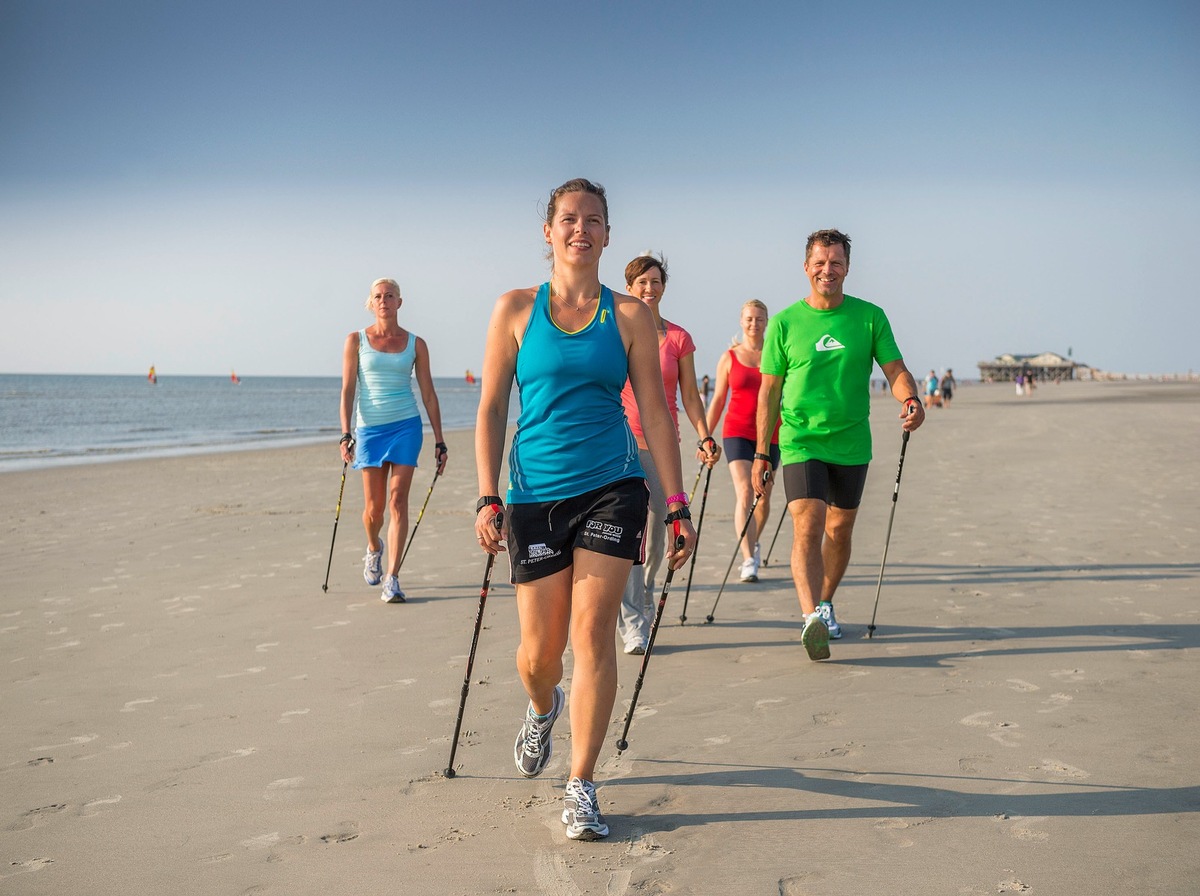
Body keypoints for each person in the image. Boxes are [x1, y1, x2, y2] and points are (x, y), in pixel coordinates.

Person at [474, 179, 698, 841]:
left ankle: (581, 785)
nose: (581, 230)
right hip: (534, 494)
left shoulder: (629, 316)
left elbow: (656, 415)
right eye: (569, 219)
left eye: (593, 220)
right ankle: (544, 708)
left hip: (614, 484)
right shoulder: (515, 309)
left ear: (607, 234)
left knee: (592, 634)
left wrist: (677, 503)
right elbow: (490, 409)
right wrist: (487, 495)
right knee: (538, 656)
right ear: (549, 232)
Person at [753, 229, 924, 661]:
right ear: (806, 266)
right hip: (799, 440)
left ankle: (825, 602)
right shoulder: (785, 322)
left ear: (847, 267)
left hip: (851, 442)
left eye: (835, 262)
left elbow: (895, 368)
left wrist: (910, 398)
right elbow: (769, 393)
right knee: (807, 526)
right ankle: (811, 617)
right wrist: (761, 452)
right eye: (819, 262)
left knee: (839, 531)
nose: (827, 270)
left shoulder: (869, 317)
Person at [617, 253, 719, 655]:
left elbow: (690, 395)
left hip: (662, 447)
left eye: (655, 282)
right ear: (629, 288)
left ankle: (644, 595)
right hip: (621, 446)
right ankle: (632, 622)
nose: (649, 288)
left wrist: (705, 435)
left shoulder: (678, 338)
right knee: (629, 534)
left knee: (659, 537)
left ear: (663, 288)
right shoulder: (617, 332)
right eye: (641, 282)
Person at [339, 278, 448, 603]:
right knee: (374, 510)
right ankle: (374, 547)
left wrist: (440, 441)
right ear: (370, 303)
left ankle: (392, 578)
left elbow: (428, 394)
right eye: (378, 296)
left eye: (389, 296)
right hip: (370, 429)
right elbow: (347, 390)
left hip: (406, 427)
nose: (383, 300)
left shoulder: (416, 344)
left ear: (399, 302)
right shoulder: (355, 340)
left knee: (398, 501)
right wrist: (346, 433)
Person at [705, 299, 780, 584]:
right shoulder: (730, 357)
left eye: (759, 319)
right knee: (745, 491)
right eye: (749, 319)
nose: (754, 324)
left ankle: (753, 541)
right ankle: (748, 559)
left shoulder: (776, 354)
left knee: (764, 496)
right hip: (736, 430)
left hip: (771, 433)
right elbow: (718, 400)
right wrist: (705, 436)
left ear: (766, 322)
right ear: (741, 321)